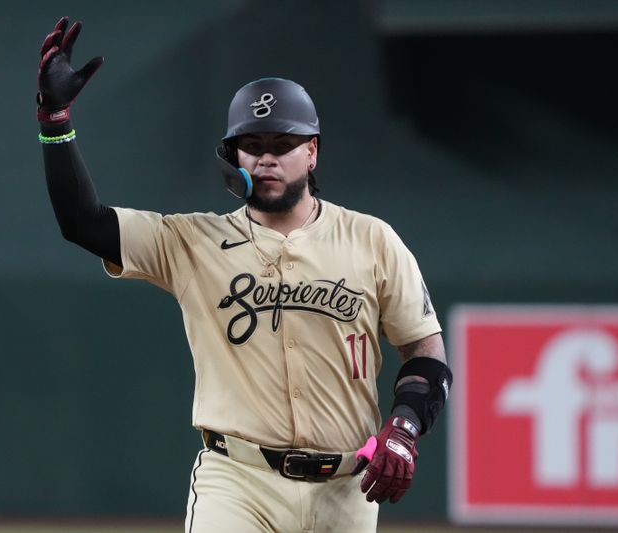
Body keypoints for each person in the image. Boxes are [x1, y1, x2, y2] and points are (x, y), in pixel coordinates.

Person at [36, 16, 453, 533]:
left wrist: (405, 428)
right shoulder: (190, 242)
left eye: (284, 143)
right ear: (233, 155)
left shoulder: (373, 240)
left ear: (312, 150)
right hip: (238, 482)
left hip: (346, 487)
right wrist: (56, 120)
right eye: (253, 145)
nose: (268, 158)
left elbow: (424, 350)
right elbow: (84, 223)